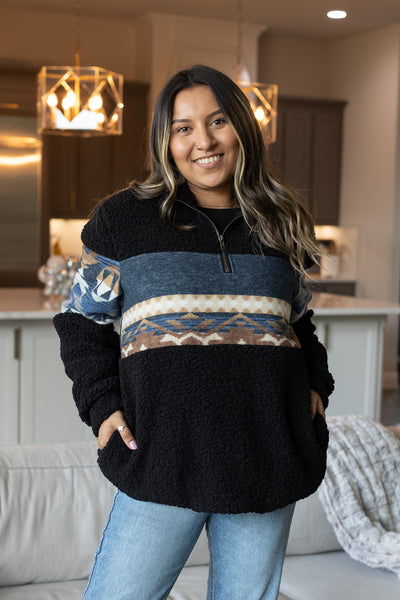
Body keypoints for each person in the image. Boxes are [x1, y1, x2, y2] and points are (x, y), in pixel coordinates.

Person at [54, 64, 334, 600]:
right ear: (167, 141)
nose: (203, 141)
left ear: (242, 128)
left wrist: (316, 385)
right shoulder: (124, 218)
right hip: (160, 455)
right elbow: (82, 320)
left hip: (266, 456)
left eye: (217, 121)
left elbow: (297, 322)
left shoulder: (281, 219)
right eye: (183, 128)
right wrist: (101, 403)